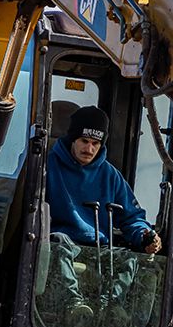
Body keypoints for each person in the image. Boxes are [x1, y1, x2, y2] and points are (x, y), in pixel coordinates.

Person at [46, 105, 161, 254]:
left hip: (99, 249)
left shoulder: (111, 175)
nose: (89, 149)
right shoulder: (48, 166)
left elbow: (132, 217)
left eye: (95, 143)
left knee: (127, 260)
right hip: (61, 243)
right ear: (73, 139)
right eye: (84, 141)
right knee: (59, 244)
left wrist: (144, 235)